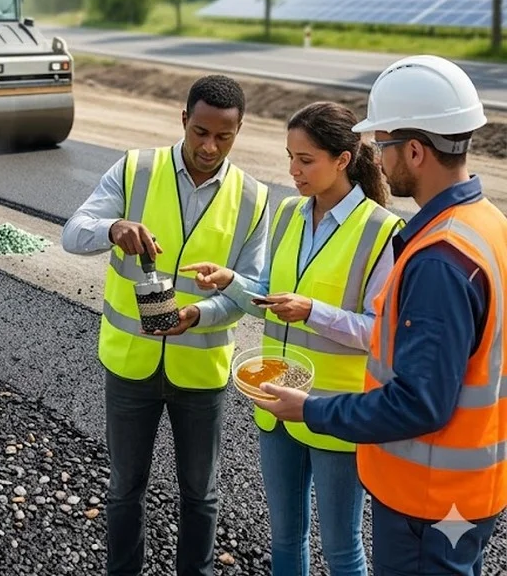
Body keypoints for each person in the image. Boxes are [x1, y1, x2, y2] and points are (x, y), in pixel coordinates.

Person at [255, 55, 507, 576]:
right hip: (468, 490)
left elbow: (420, 402)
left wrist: (314, 410)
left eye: (384, 145)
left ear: (415, 150)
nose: (380, 159)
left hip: (431, 501)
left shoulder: (440, 257)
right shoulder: (488, 226)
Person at [181, 101, 404, 576]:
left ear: (343, 160)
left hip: (337, 411)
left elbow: (380, 332)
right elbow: (267, 295)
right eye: (290, 157)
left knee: (343, 551)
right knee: (284, 539)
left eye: (306, 160)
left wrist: (312, 312)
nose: (293, 170)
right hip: (275, 402)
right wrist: (229, 282)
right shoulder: (287, 214)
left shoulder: (382, 231)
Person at [62, 74, 270, 576]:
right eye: (200, 132)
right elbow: (73, 233)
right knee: (124, 488)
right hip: (130, 366)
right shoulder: (136, 170)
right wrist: (113, 228)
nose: (209, 146)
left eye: (224, 136)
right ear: (184, 120)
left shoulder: (253, 198)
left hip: (200, 372)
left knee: (201, 493)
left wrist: (202, 313)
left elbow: (253, 289)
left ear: (239, 131)